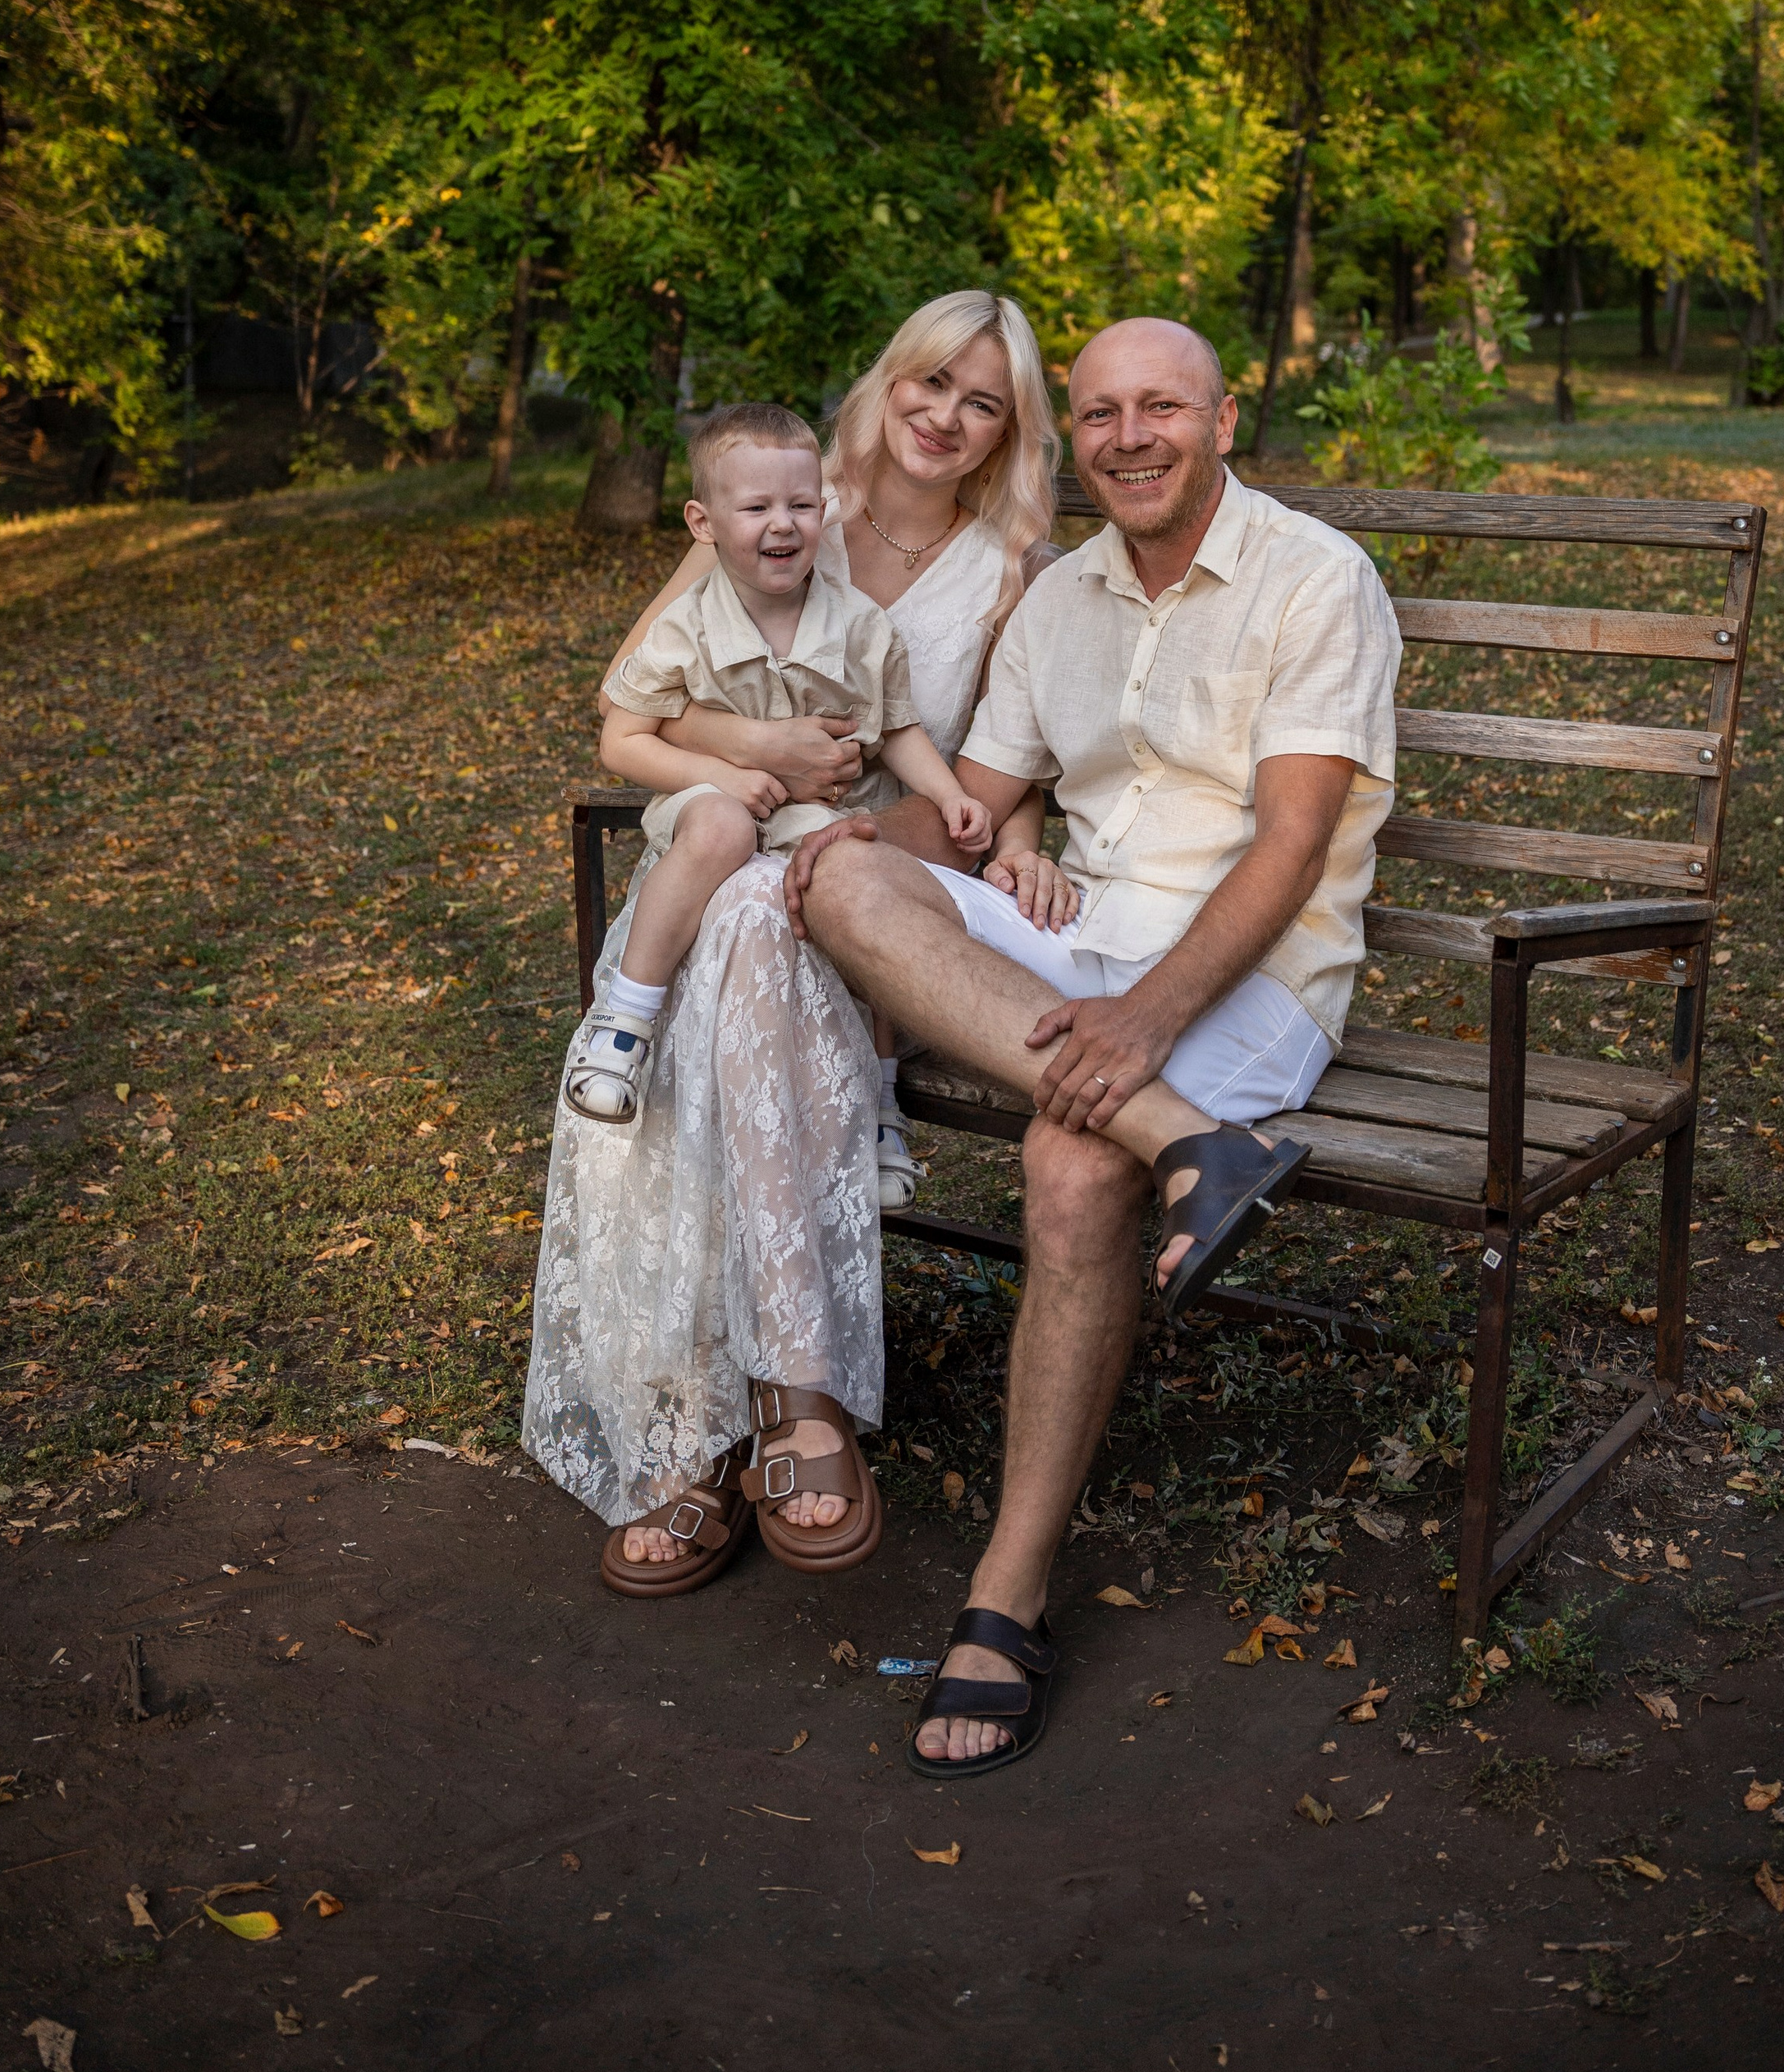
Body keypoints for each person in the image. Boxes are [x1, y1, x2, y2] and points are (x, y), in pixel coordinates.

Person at [785, 316, 1402, 1775]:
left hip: (1253, 970)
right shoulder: (1058, 599)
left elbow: (1296, 844)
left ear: (1225, 419)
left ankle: (1005, 1595)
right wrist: (805, 824)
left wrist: (1146, 1019)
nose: (1132, 437)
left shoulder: (1318, 579)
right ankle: (1193, 1141)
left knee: (1068, 1173)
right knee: (838, 876)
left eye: (1165, 409)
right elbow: (971, 803)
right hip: (1084, 940)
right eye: (1105, 412)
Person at [522, 291, 1066, 1594]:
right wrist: (759, 748)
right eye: (929, 382)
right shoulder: (775, 490)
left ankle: (698, 1433)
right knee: (749, 925)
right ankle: (787, 1401)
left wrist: (1028, 829)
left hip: (888, 889)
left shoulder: (1013, 566)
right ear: (886, 383)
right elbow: (641, 696)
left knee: (766, 927)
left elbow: (1009, 753)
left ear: (1006, 431)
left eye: (981, 400)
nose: (945, 415)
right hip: (732, 858)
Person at [558, 399, 993, 1129]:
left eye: (800, 503)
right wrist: (721, 776)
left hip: (813, 816)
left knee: (856, 874)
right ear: (704, 523)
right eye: (755, 506)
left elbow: (897, 729)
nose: (782, 523)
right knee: (725, 826)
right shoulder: (686, 626)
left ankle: (879, 1102)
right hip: (706, 803)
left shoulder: (859, 625)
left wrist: (951, 797)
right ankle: (622, 1026)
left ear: (824, 512)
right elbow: (622, 740)